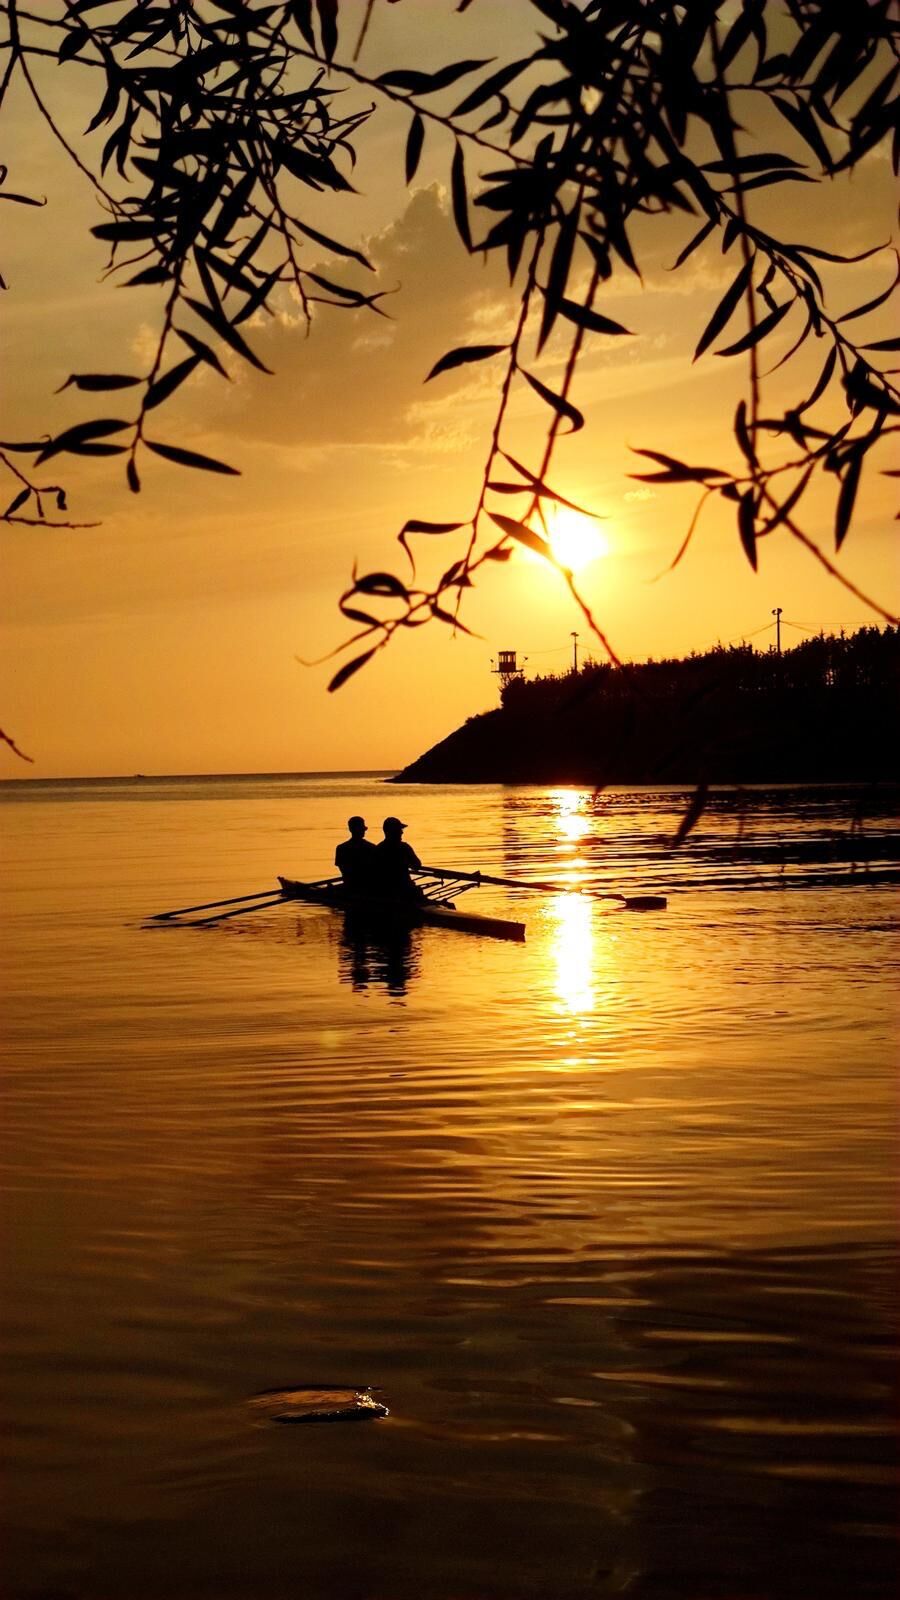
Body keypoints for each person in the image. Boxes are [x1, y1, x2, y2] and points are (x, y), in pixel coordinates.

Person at [375, 816, 424, 902]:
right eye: (399, 830)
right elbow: (417, 866)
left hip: (384, 891)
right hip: (405, 890)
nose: (402, 832)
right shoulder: (404, 847)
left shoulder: (378, 849)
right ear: (392, 832)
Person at [334, 816, 377, 894]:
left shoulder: (341, 848)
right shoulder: (372, 847)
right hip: (367, 887)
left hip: (351, 885)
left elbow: (342, 869)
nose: (363, 831)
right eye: (361, 829)